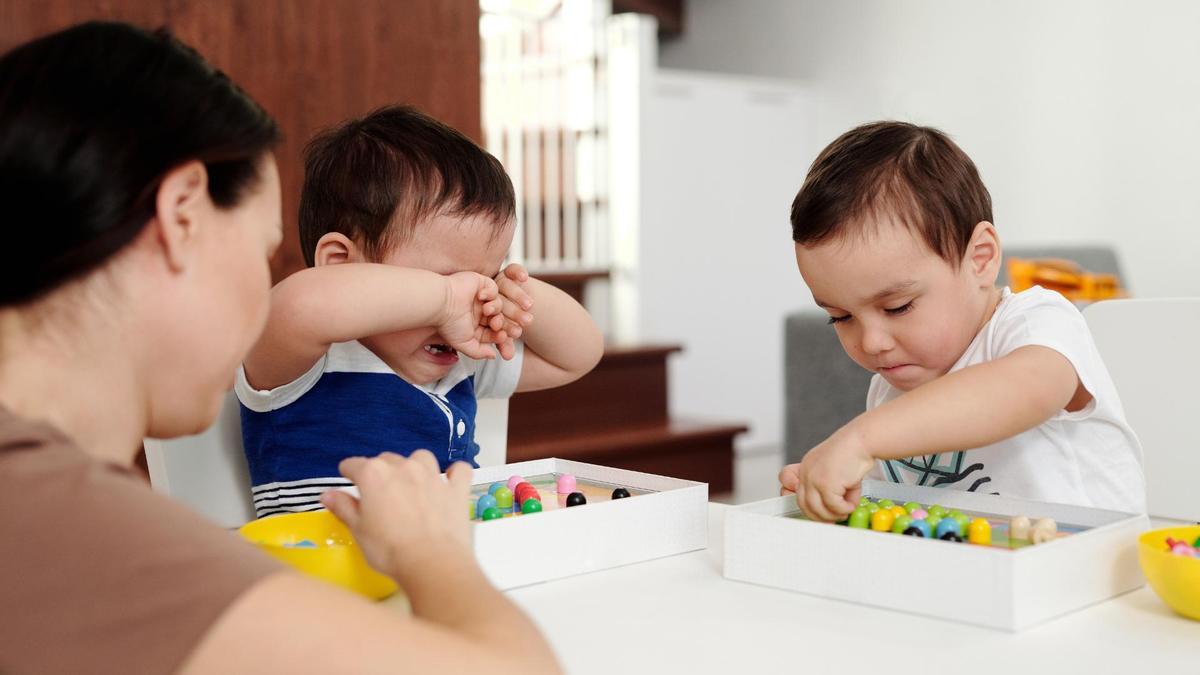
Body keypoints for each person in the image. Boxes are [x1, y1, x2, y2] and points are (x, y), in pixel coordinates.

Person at [0, 21, 559, 674]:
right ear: (182, 217)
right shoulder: (83, 536)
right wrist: (435, 553)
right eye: (264, 250)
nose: (268, 291)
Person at [236, 105, 604, 517]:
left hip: (446, 569)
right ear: (341, 264)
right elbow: (300, 306)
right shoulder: (306, 362)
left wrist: (512, 291)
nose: (466, 301)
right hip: (328, 576)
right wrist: (444, 299)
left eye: (481, 279)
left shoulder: (461, 358)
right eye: (444, 279)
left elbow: (580, 354)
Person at [778, 121, 1145, 521]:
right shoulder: (891, 390)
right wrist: (840, 490)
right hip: (978, 573)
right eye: (840, 317)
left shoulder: (1034, 322)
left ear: (980, 259)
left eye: (898, 306)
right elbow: (914, 507)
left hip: (1096, 572)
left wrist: (862, 438)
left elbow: (1030, 387)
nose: (871, 342)